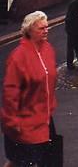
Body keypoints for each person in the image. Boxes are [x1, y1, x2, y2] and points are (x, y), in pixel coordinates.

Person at [2, 11, 58, 167]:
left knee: (47, 160)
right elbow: (10, 93)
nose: (46, 30)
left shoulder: (48, 50)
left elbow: (50, 79)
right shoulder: (18, 56)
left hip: (45, 118)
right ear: (30, 30)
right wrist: (12, 122)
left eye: (47, 27)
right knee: (28, 161)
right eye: (41, 28)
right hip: (26, 120)